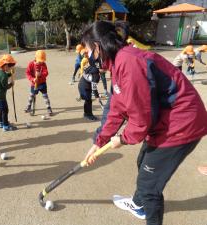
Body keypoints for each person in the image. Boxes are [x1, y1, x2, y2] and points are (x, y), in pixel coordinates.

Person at [83, 21, 207, 225]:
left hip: (181, 124)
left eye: (88, 51)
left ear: (97, 47)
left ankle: (148, 212)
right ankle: (138, 205)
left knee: (150, 187)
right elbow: (115, 107)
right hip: (166, 120)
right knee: (143, 162)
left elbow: (142, 117)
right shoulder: (118, 62)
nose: (88, 56)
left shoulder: (129, 63)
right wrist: (99, 141)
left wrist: (122, 139)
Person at [0, 54, 17, 131]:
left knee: (0, 109)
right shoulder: (3, 76)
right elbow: (5, 86)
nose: (10, 68)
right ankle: (5, 126)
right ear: (5, 65)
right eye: (10, 67)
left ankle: (1, 123)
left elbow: (3, 76)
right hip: (0, 97)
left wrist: (10, 74)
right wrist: (11, 84)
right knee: (5, 110)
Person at [24, 50, 53, 116]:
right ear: (36, 58)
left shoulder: (43, 64)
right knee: (32, 95)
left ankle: (48, 107)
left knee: (45, 96)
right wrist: (33, 79)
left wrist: (40, 74)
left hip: (42, 83)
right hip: (34, 84)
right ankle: (29, 106)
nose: (41, 62)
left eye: (42, 60)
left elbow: (46, 73)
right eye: (40, 60)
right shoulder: (31, 64)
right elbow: (27, 73)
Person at [78, 46, 101, 121]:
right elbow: (94, 88)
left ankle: (86, 113)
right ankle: (88, 115)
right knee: (88, 100)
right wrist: (97, 97)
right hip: (84, 87)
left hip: (83, 84)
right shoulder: (96, 74)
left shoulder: (92, 66)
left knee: (88, 100)